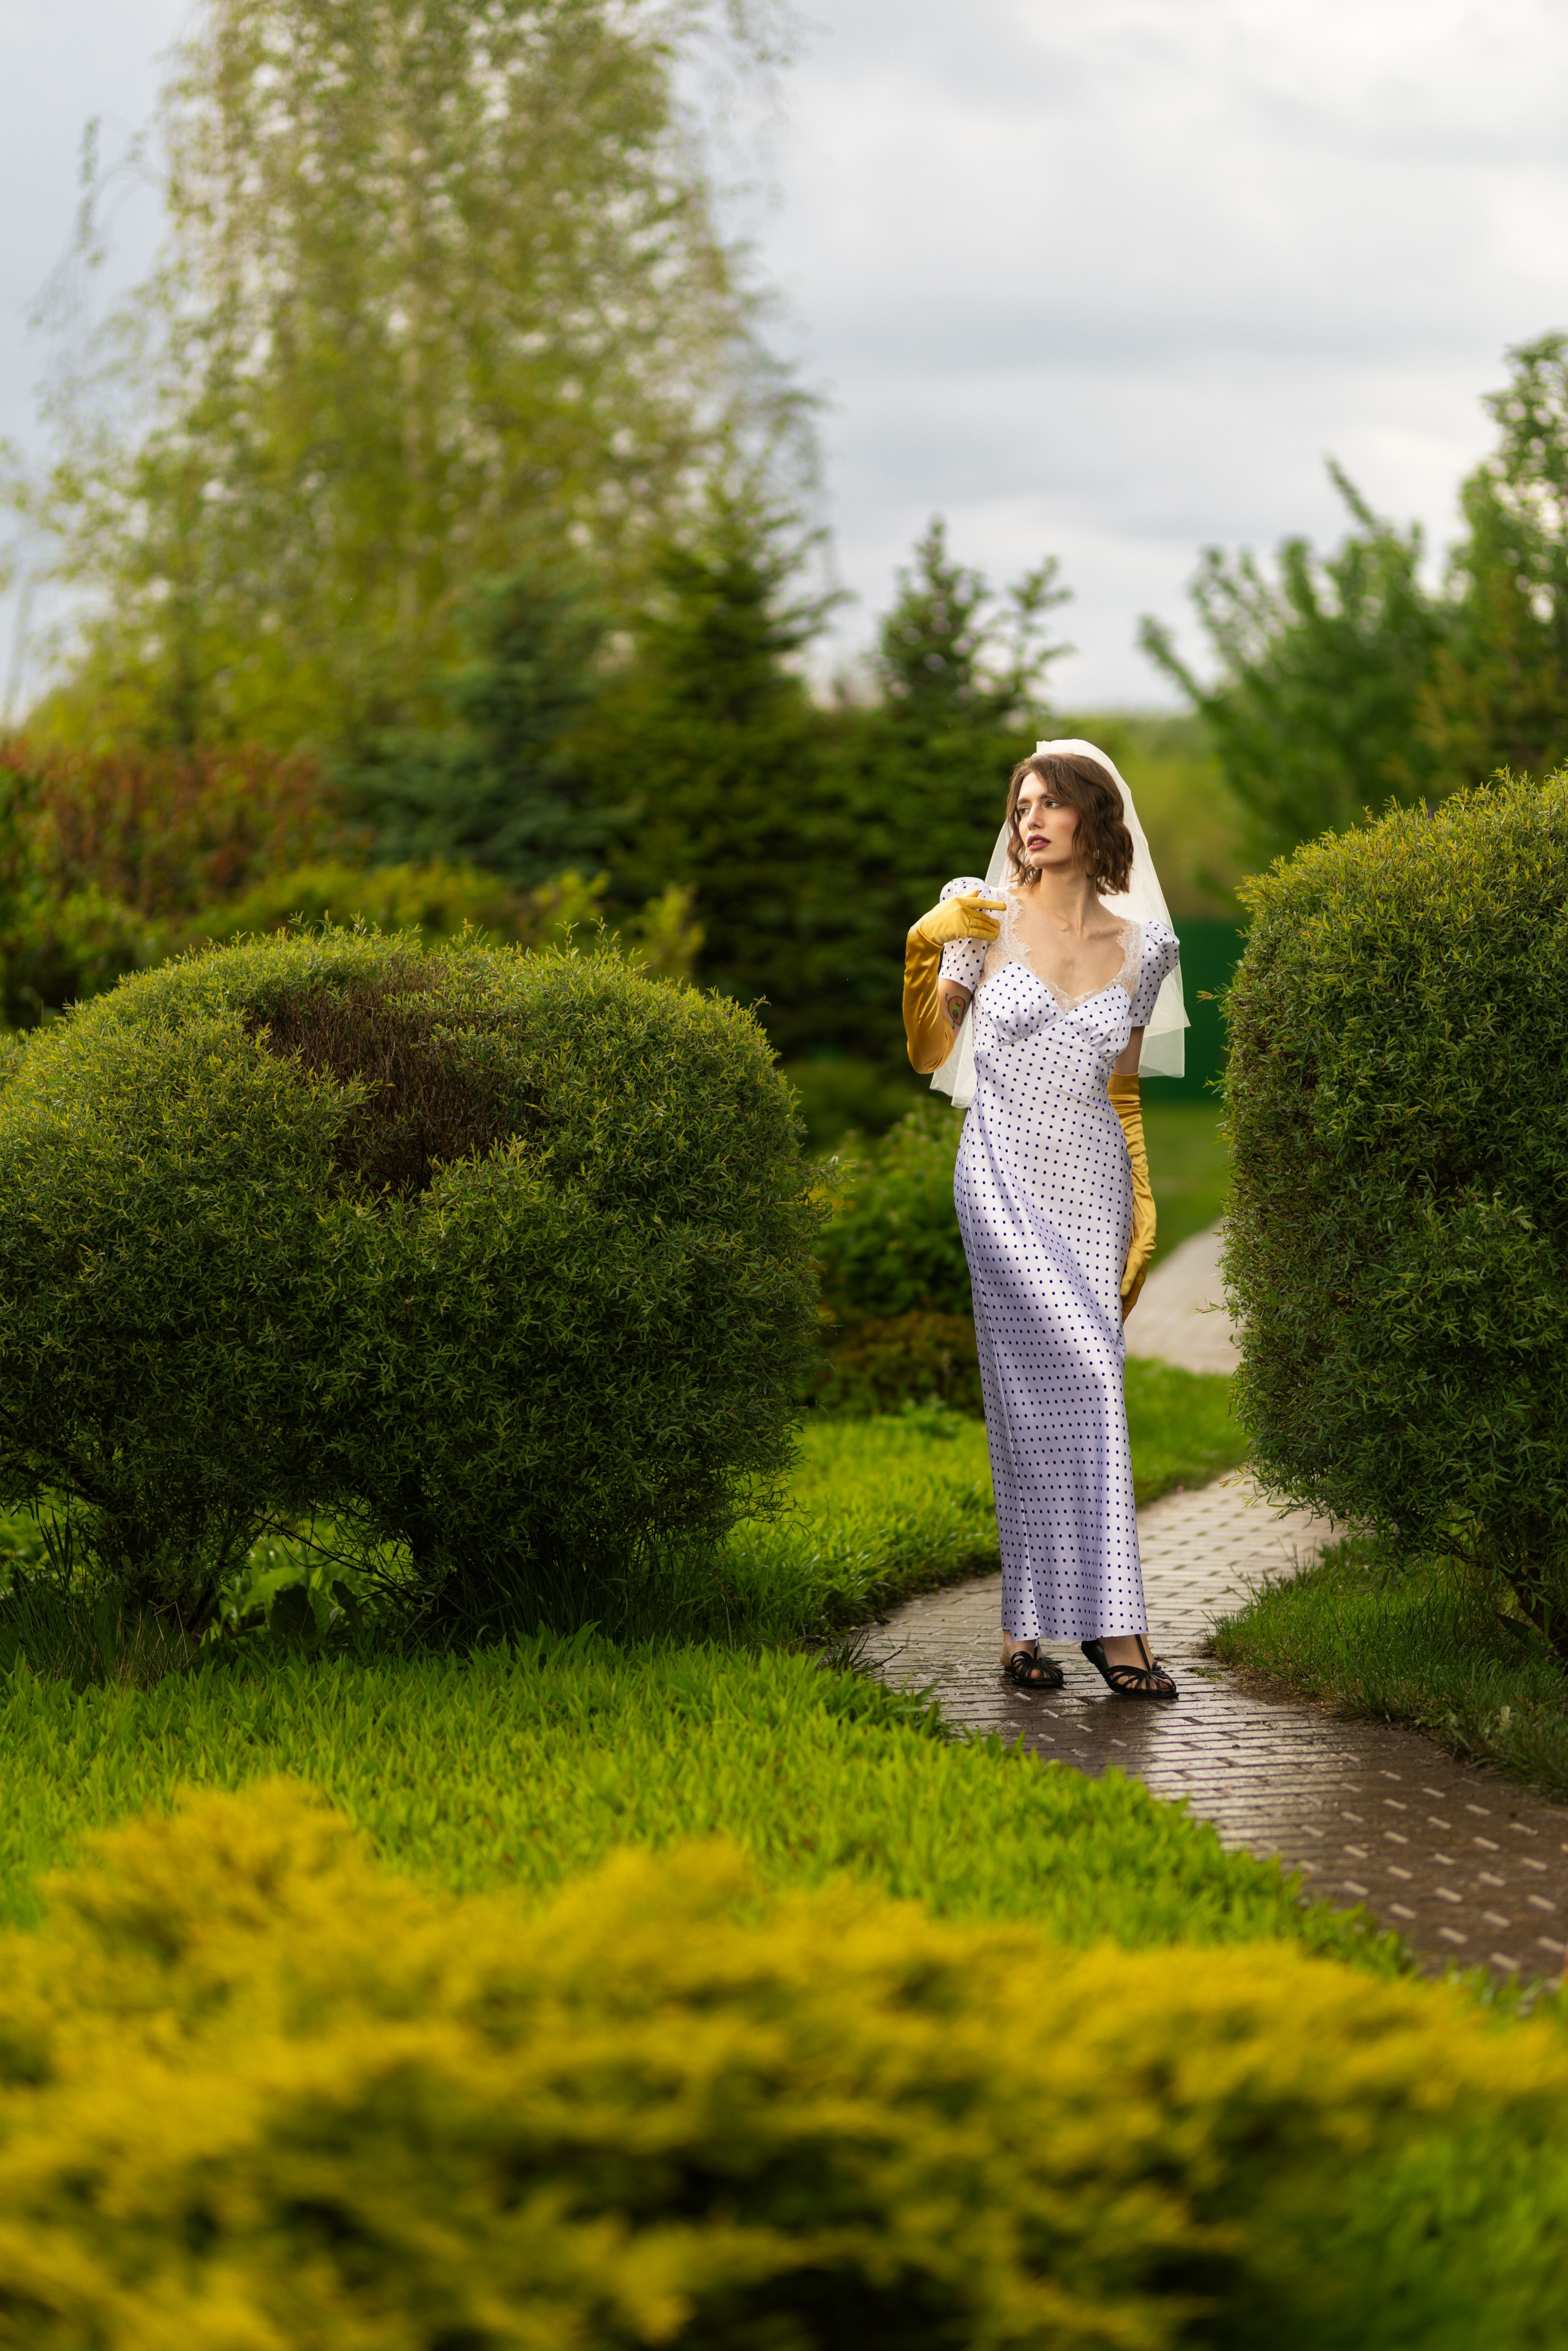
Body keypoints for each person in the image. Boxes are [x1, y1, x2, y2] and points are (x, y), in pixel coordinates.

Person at [902, 744, 1182, 1700]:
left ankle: (1026, 1629)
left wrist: (1143, 1199)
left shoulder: (1146, 949)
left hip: (1093, 1181)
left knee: (1041, 1400)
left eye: (1050, 804)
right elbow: (929, 1048)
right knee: (1089, 1376)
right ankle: (1119, 1631)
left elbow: (1126, 1090)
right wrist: (922, 950)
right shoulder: (980, 918)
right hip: (1002, 1176)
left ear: (1093, 821)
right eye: (1021, 803)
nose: (1030, 819)